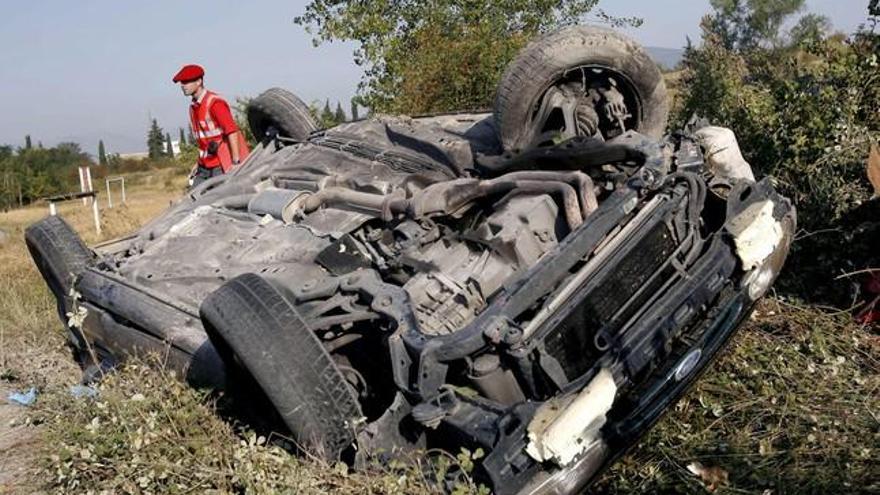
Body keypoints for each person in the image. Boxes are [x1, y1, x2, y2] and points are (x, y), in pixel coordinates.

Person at [172, 64, 250, 187]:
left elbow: (232, 131)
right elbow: (204, 141)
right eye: (182, 82)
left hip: (220, 166)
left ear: (199, 81)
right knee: (193, 200)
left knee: (218, 201)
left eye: (186, 82)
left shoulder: (215, 103)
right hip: (204, 167)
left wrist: (236, 163)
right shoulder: (193, 107)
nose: (182, 85)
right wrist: (198, 163)